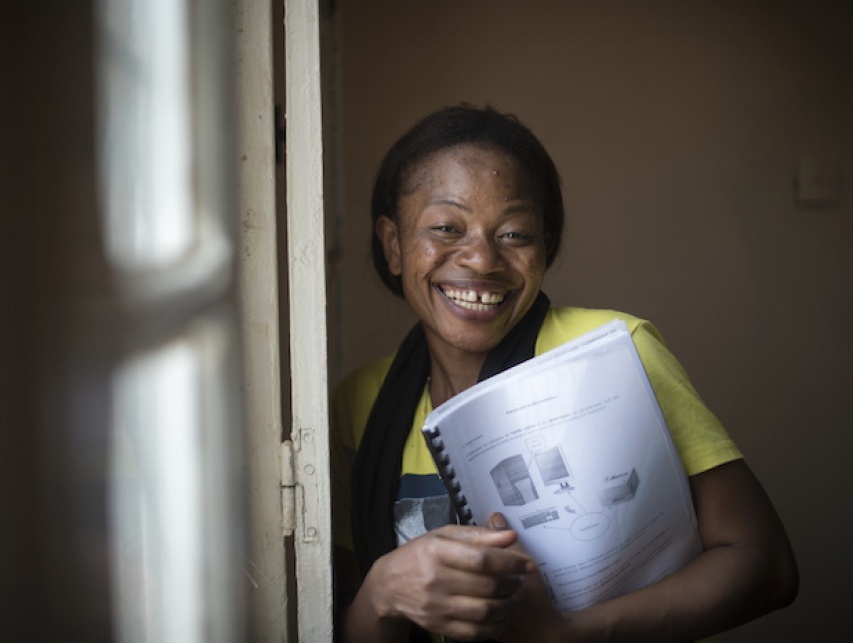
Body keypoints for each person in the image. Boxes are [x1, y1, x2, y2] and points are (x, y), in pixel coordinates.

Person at [330, 104, 799, 642]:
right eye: (445, 227)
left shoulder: (615, 352)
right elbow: (345, 617)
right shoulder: (358, 403)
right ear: (393, 245)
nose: (481, 260)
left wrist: (569, 634)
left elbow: (765, 565)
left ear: (544, 244)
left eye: (513, 234)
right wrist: (381, 592)